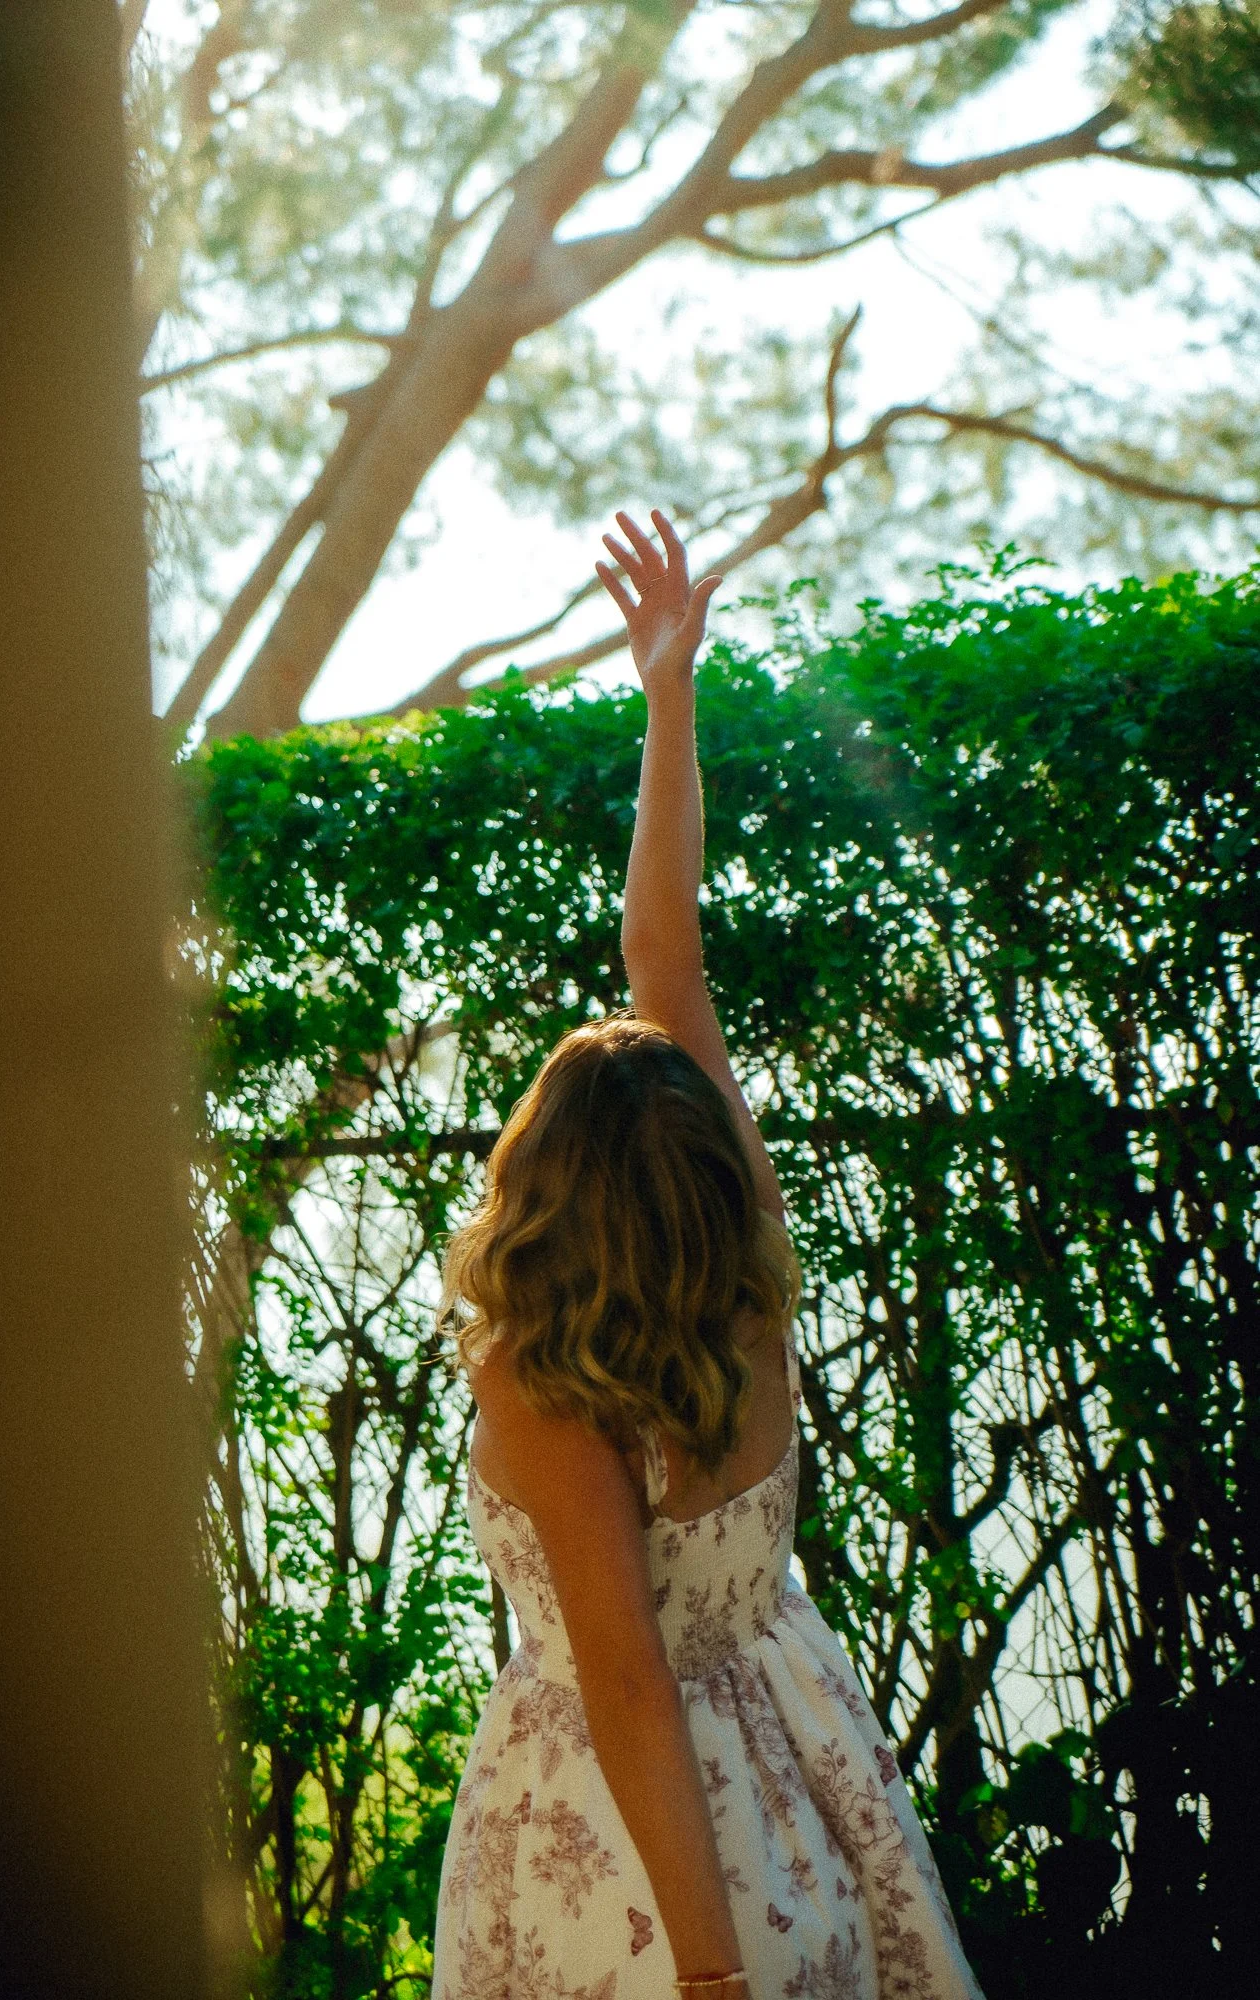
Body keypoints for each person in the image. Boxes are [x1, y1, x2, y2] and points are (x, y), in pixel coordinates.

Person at [431, 511, 983, 2000]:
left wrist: (709, 1979)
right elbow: (664, 955)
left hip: (632, 1844)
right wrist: (669, 695)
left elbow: (623, 1682)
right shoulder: (750, 1278)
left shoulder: (541, 1393)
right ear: (694, 1173)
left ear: (540, 1187)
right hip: (799, 1761)